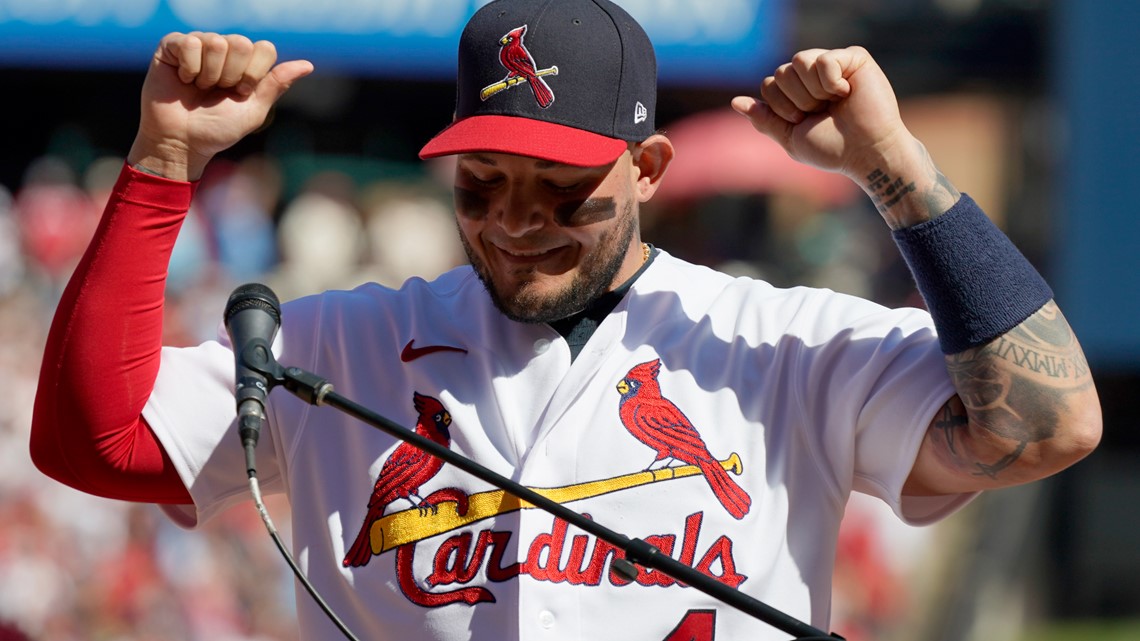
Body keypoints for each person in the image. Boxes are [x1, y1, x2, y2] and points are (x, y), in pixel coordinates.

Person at [29, 0, 1102, 639]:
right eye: (482, 184)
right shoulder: (338, 341)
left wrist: (893, 165)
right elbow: (97, 444)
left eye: (560, 191)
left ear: (647, 168)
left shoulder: (782, 340)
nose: (515, 222)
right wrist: (166, 163)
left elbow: (1046, 424)